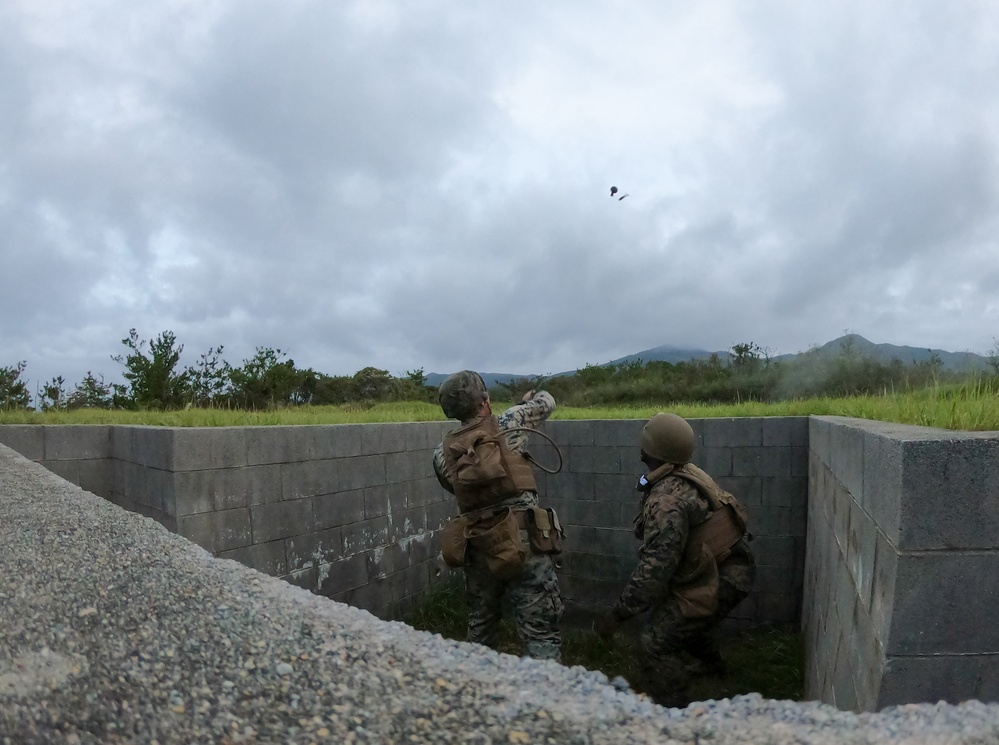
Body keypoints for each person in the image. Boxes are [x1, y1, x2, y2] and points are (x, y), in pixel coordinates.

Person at [597, 412, 755, 708]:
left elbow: (655, 569)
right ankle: (714, 672)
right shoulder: (686, 473)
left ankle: (674, 711)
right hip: (726, 568)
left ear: (651, 450)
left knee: (654, 643)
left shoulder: (666, 500)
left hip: (721, 577)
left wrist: (619, 615)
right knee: (682, 622)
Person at [433, 371, 564, 661]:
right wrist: (526, 401)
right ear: (485, 400)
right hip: (526, 543)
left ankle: (480, 690)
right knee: (540, 632)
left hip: (480, 544)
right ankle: (547, 696)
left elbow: (455, 488)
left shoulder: (441, 453)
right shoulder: (510, 422)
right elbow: (548, 402)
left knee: (481, 625)